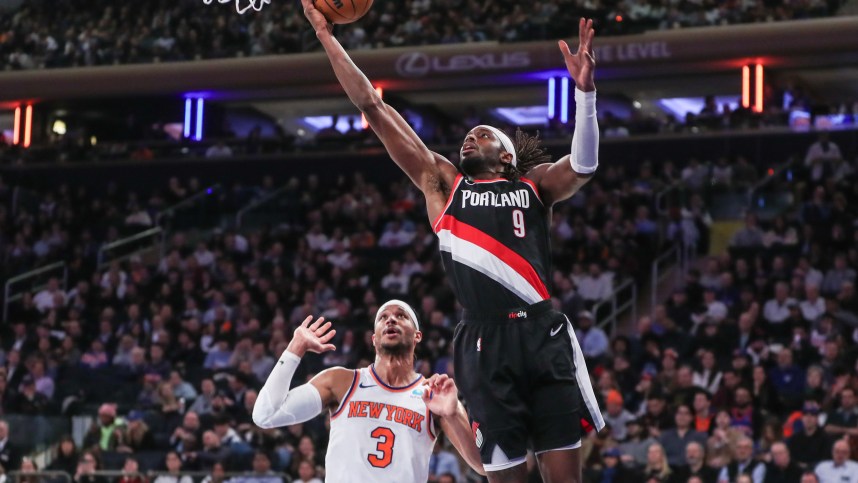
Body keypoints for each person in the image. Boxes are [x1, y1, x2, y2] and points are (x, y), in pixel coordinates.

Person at [301, 1, 603, 481]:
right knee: (506, 475)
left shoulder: (534, 186)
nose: (468, 138)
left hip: (542, 333)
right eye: (466, 135)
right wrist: (326, 37)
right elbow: (372, 107)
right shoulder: (444, 186)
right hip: (483, 340)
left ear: (505, 156)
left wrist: (585, 94)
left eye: (481, 135)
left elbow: (584, 166)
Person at [253, 301, 484, 482]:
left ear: (417, 336)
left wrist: (451, 414)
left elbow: (482, 466)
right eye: (383, 317)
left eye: (401, 316)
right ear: (374, 339)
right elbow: (266, 415)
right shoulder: (341, 381)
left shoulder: (433, 393)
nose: (391, 319)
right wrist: (296, 347)